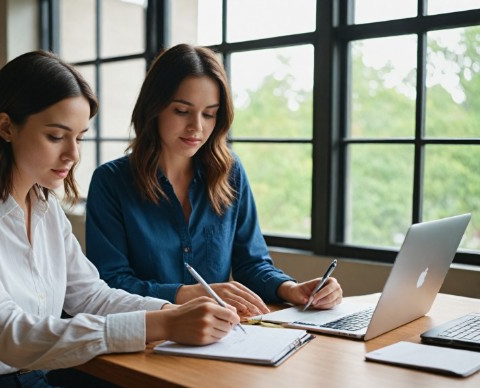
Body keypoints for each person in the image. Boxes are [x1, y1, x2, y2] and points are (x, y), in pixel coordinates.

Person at [0, 50, 241, 388]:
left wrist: (170, 312)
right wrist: (164, 325)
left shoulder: (46, 207)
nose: (73, 154)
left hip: (39, 378)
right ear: (6, 127)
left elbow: (92, 297)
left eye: (79, 137)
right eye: (56, 136)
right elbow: (7, 333)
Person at [85, 44, 343, 319]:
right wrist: (188, 293)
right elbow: (110, 283)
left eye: (209, 114)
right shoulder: (111, 182)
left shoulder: (230, 172)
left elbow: (252, 265)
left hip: (219, 337)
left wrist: (291, 289)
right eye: (182, 111)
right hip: (144, 337)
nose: (197, 127)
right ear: (154, 108)